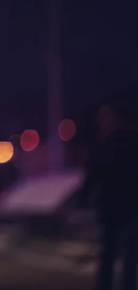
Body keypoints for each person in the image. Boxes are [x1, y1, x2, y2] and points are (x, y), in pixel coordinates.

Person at [79, 87, 138, 290]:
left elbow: (93, 173)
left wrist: (84, 198)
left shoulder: (107, 145)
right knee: (129, 256)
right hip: (129, 207)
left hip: (113, 208)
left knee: (110, 254)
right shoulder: (130, 142)